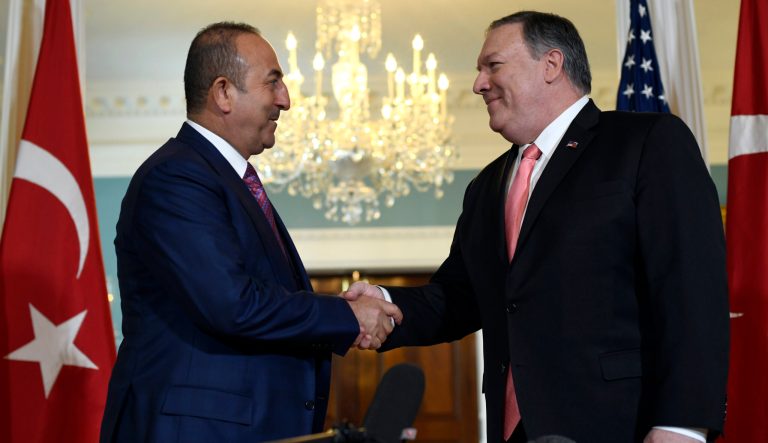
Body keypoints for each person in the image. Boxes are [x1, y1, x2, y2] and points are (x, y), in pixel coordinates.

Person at [344, 11, 729, 443]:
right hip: (515, 429)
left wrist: (682, 424)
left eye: (493, 66)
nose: (478, 84)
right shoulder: (487, 185)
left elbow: (690, 286)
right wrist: (385, 301)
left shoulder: (646, 142)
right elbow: (459, 297)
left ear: (551, 64)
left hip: (621, 424)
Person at [99, 22, 402, 442]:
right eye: (272, 82)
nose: (286, 100)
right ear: (223, 92)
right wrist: (347, 315)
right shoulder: (176, 176)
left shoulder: (226, 179)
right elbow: (232, 304)